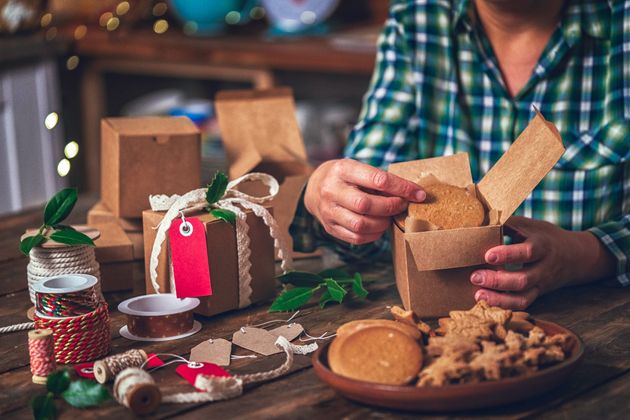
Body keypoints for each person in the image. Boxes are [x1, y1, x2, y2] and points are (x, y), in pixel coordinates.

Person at [291, 0, 629, 310]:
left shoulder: (621, 28)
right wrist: (332, 199)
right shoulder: (416, 23)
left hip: (594, 322)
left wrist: (587, 254)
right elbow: (366, 226)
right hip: (436, 321)